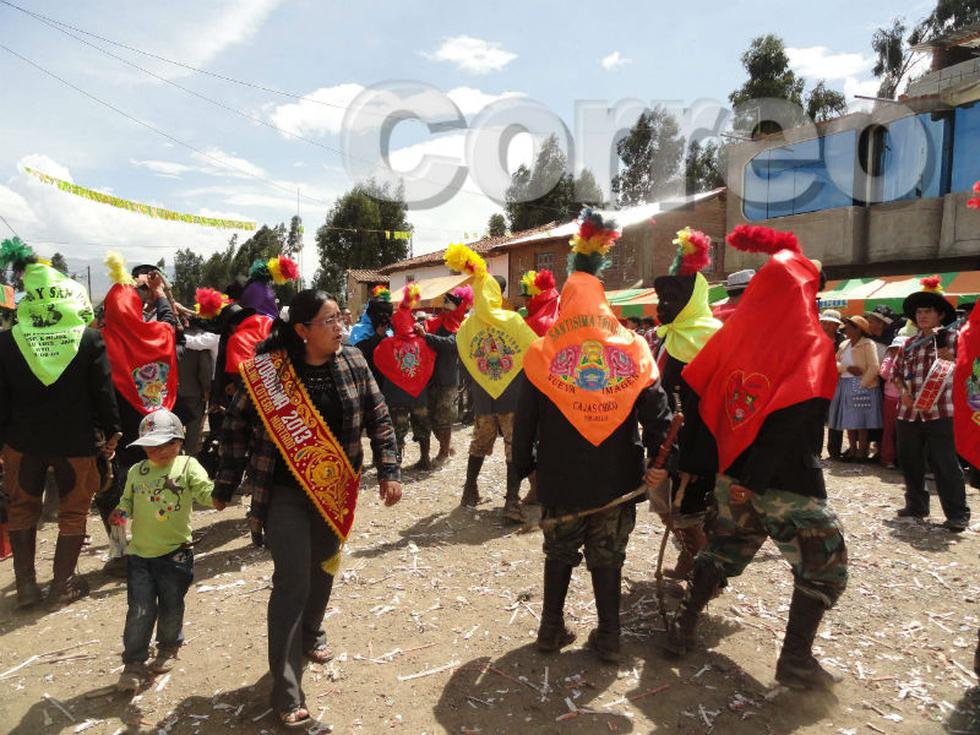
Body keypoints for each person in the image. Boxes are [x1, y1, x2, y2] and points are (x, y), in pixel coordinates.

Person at [662, 224, 847, 692]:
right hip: (782, 480)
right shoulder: (810, 342)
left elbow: (697, 394)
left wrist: (719, 469)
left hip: (732, 472)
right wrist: (755, 479)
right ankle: (796, 659)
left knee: (723, 549)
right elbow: (791, 419)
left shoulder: (732, 337)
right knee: (824, 567)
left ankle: (684, 626)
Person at [214, 289, 401, 728]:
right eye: (329, 321)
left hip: (335, 491)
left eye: (340, 318)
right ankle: (286, 691)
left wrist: (389, 469)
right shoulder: (267, 372)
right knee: (291, 581)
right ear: (301, 330)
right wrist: (225, 483)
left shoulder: (353, 362)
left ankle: (312, 630)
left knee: (324, 567)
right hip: (283, 493)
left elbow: (379, 417)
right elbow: (235, 428)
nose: (340, 328)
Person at [514, 209, 674, 663]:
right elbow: (659, 417)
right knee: (609, 555)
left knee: (559, 552)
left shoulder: (542, 354)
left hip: (560, 477)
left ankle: (550, 630)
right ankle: (609, 637)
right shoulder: (635, 350)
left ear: (566, 302)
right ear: (603, 301)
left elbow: (524, 423)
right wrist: (662, 463)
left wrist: (525, 469)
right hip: (616, 477)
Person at [0, 238, 121, 608]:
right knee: (73, 511)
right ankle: (61, 586)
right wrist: (113, 431)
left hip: (22, 442)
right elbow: (103, 391)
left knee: (22, 509)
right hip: (76, 442)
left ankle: (26, 588)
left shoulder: (7, 342)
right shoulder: (89, 339)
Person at [109, 409, 216, 691]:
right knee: (140, 608)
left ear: (179, 441)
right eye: (151, 446)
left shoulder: (188, 466)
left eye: (166, 444)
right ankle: (133, 662)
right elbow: (127, 501)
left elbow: (206, 492)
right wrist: (120, 512)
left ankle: (168, 646)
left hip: (175, 554)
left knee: (171, 604)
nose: (159, 451)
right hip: (140, 555)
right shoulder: (137, 471)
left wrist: (220, 496)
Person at [445, 245, 537, 521]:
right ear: (496, 294)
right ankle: (511, 502)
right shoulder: (512, 320)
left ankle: (469, 490)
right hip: (513, 394)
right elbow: (534, 350)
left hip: (483, 395)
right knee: (513, 445)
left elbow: (464, 357)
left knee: (479, 442)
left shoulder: (466, 327)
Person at [652, 227, 722, 579]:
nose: (663, 306)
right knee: (665, 507)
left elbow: (715, 404)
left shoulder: (712, 339)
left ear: (692, 302)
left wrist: (693, 456)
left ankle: (705, 577)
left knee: (690, 512)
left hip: (695, 444)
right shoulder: (668, 336)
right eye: (662, 299)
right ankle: (689, 558)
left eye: (673, 299)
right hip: (664, 440)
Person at [891, 277, 970, 532]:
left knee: (944, 463)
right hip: (908, 411)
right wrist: (903, 392)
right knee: (909, 461)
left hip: (941, 411)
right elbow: (896, 373)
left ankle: (957, 514)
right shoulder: (908, 344)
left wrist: (954, 359)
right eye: (919, 312)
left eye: (928, 311)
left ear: (940, 315)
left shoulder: (954, 338)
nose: (922, 316)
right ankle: (916, 505)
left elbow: (970, 370)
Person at [373, 285, 436, 468]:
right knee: (423, 425)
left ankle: (396, 464)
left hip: (396, 395)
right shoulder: (423, 342)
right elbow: (430, 360)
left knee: (396, 429)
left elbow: (378, 361)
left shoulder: (387, 344)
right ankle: (425, 459)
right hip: (419, 394)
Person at [422, 285, 474, 465]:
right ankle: (447, 446)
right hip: (431, 377)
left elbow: (451, 344)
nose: (444, 308)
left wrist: (426, 336)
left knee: (443, 418)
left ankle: (443, 452)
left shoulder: (459, 327)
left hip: (447, 379)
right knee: (431, 417)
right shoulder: (436, 323)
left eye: (448, 305)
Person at [827, 315, 881, 461]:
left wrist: (862, 384)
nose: (847, 330)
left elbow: (874, 367)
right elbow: (833, 363)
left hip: (863, 384)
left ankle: (861, 452)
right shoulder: (844, 344)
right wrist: (847, 368)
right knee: (849, 420)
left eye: (851, 327)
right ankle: (852, 450)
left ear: (859, 330)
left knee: (862, 422)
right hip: (845, 384)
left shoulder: (868, 344)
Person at [878, 336, 906, 469]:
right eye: (894, 349)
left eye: (899, 349)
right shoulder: (888, 360)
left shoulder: (910, 361)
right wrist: (891, 363)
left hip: (906, 400)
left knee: (904, 431)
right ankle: (887, 458)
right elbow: (883, 374)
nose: (896, 352)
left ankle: (903, 460)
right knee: (889, 429)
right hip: (890, 399)